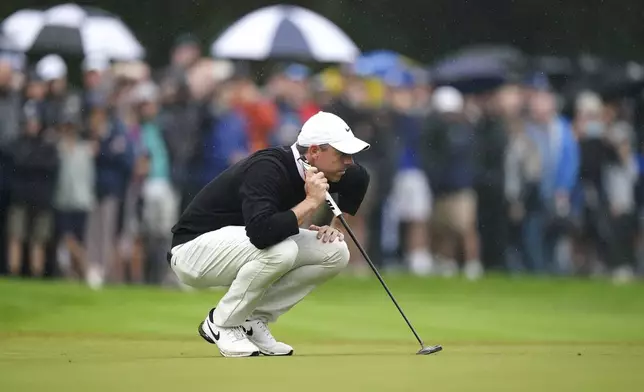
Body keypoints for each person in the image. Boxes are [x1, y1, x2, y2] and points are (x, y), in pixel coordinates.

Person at [168, 111, 371, 357]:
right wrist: (310, 203)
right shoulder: (267, 168)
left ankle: (252, 321)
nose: (349, 161)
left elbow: (360, 178)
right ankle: (220, 323)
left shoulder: (331, 169)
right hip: (193, 252)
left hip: (242, 245)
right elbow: (262, 233)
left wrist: (336, 226)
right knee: (282, 249)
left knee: (335, 251)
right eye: (342, 154)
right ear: (315, 151)